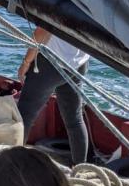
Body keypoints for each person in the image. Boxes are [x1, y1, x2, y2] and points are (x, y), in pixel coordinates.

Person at [17, 28, 90, 165]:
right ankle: (81, 167)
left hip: (50, 64)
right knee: (74, 120)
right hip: (78, 64)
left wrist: (26, 63)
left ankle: (14, 164)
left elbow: (42, 31)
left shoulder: (64, 4)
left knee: (23, 115)